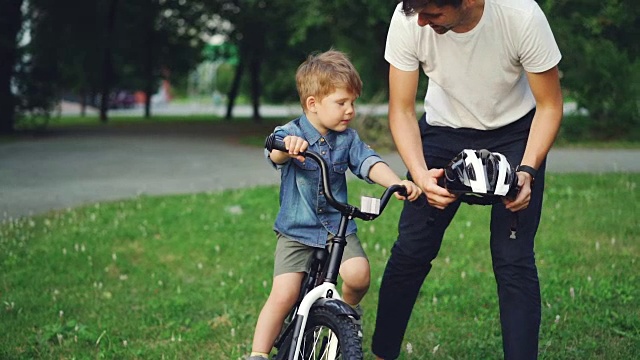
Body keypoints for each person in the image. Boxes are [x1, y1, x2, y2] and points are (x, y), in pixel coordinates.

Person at [372, 0, 563, 359]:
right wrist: (418, 174)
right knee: (411, 250)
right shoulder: (409, 17)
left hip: (514, 135)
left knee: (513, 259)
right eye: (418, 14)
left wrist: (528, 170)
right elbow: (400, 108)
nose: (423, 23)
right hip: (443, 132)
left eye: (433, 14)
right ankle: (383, 354)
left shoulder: (521, 16)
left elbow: (550, 105)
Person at [248, 49, 422, 360]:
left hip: (335, 228)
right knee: (284, 294)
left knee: (358, 276)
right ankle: (258, 354)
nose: (350, 110)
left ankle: (344, 319)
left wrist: (396, 181)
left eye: (352, 102)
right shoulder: (292, 133)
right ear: (312, 104)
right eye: (341, 103)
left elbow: (368, 162)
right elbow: (274, 152)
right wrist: (286, 148)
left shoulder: (348, 140)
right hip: (296, 231)